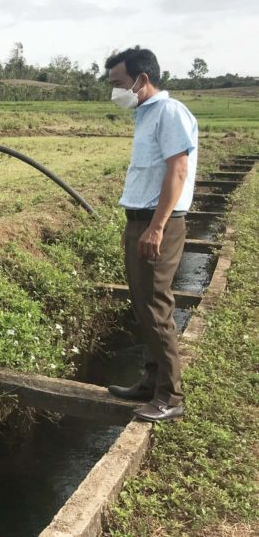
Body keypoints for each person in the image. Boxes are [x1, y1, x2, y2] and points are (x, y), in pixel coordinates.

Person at [105, 47, 198, 423]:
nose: (115, 91)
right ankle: (150, 380)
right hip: (140, 218)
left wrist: (156, 227)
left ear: (142, 80)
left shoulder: (170, 112)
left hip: (158, 221)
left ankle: (170, 396)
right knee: (144, 304)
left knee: (156, 308)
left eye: (119, 83)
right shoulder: (147, 114)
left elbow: (177, 171)